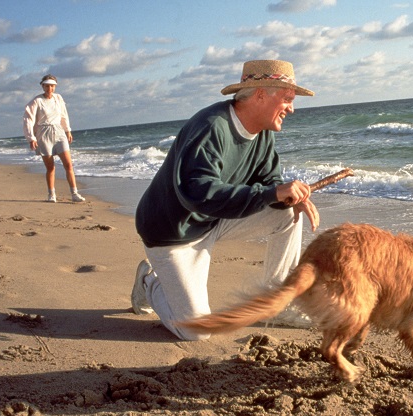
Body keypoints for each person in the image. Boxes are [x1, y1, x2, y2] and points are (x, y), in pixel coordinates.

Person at [132, 59, 320, 340]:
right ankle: (150, 282)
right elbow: (197, 192)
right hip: (172, 233)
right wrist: (272, 193)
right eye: (288, 99)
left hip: (214, 220)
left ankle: (279, 304)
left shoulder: (263, 132)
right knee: (197, 332)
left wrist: (287, 197)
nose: (291, 108)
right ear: (260, 95)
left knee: (287, 213)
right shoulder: (210, 127)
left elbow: (268, 182)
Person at [23, 74, 85, 203]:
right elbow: (28, 119)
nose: (49, 88)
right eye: (46, 86)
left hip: (58, 131)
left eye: (52, 86)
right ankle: (51, 194)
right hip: (43, 133)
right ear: (42, 86)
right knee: (50, 167)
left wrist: (68, 130)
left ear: (55, 86)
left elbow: (63, 115)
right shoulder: (37, 101)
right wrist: (31, 138)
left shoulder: (58, 98)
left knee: (68, 164)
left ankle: (74, 193)